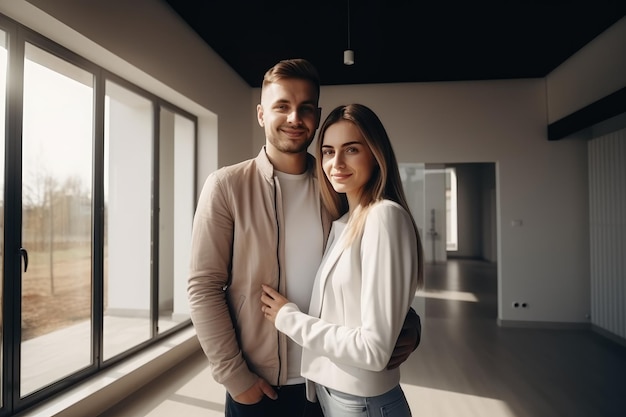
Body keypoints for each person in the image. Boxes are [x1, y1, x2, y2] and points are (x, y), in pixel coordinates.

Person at [188, 59, 421, 417]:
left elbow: (375, 271)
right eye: (282, 106)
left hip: (328, 385)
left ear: (317, 115)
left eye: (306, 108)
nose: (295, 118)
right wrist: (235, 378)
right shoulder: (227, 186)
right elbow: (203, 287)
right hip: (260, 386)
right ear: (262, 113)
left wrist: (408, 324)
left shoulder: (338, 186)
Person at [261, 103, 423, 417]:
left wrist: (289, 319)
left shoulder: (384, 217)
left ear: (376, 154)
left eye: (351, 149)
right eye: (327, 151)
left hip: (361, 402)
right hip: (335, 396)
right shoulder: (347, 221)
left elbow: (374, 349)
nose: (336, 163)